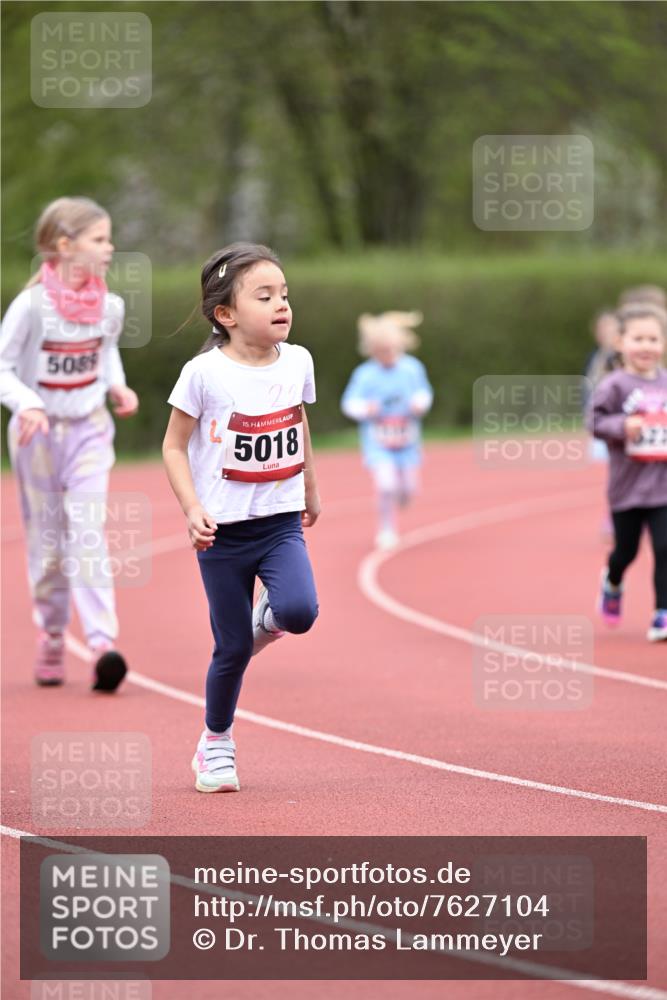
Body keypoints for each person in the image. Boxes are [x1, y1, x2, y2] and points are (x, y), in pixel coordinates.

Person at [163, 242, 320, 793]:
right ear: (225, 315)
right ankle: (216, 743)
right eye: (265, 296)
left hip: (278, 522)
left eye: (284, 294)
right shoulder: (203, 374)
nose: (282, 304)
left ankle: (266, 621)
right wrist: (191, 509)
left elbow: (297, 425)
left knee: (300, 611)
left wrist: (310, 489)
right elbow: (173, 447)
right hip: (223, 536)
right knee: (231, 649)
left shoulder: (297, 360)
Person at [0, 197, 139, 688]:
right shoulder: (31, 306)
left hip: (89, 432)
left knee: (87, 534)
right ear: (64, 246)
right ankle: (53, 634)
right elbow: (3, 368)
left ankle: (103, 643)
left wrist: (116, 386)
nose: (110, 248)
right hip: (37, 439)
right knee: (49, 547)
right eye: (100, 239)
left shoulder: (111, 307)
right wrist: (27, 404)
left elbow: (106, 357)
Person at [589, 303, 667, 642]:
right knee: (627, 551)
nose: (646, 346)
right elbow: (594, 422)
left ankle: (662, 613)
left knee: (666, 548)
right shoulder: (614, 386)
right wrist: (624, 425)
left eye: (654, 338)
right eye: (639, 338)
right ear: (621, 343)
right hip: (628, 489)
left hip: (663, 485)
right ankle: (613, 580)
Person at [341, 311, 433, 549]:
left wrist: (419, 404)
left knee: (408, 488)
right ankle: (386, 529)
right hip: (378, 441)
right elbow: (349, 403)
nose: (388, 356)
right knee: (385, 485)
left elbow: (424, 393)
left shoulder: (412, 369)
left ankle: (404, 496)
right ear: (371, 350)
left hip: (407, 441)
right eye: (382, 351)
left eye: (393, 349)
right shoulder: (365, 374)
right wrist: (365, 409)